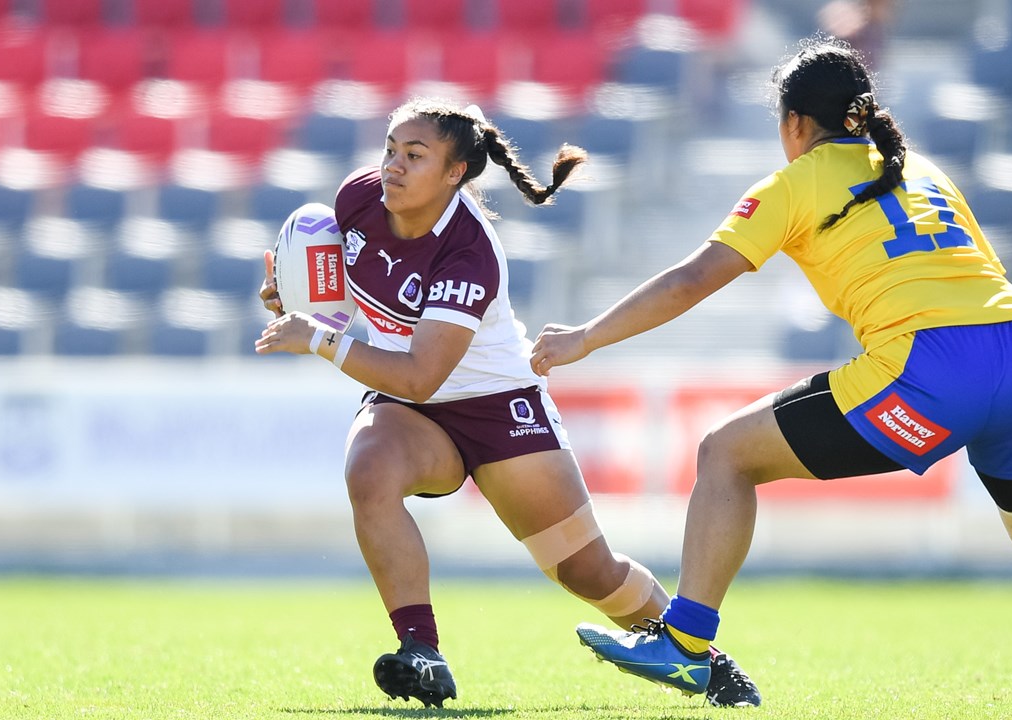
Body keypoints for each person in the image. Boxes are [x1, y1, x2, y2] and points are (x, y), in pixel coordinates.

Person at [529, 38, 1012, 720]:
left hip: (932, 371)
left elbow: (692, 279)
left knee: (725, 454)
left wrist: (585, 337)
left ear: (794, 124)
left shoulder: (793, 183)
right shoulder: (926, 172)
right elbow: (981, 274)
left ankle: (685, 640)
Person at [253, 98, 760, 709]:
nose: (393, 166)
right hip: (411, 409)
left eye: (415, 156)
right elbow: (336, 296)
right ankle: (422, 651)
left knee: (584, 571)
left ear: (455, 174)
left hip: (497, 406)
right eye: (390, 150)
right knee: (370, 470)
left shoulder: (470, 250)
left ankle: (702, 660)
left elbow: (421, 373)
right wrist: (293, 295)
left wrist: (318, 338)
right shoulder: (356, 200)